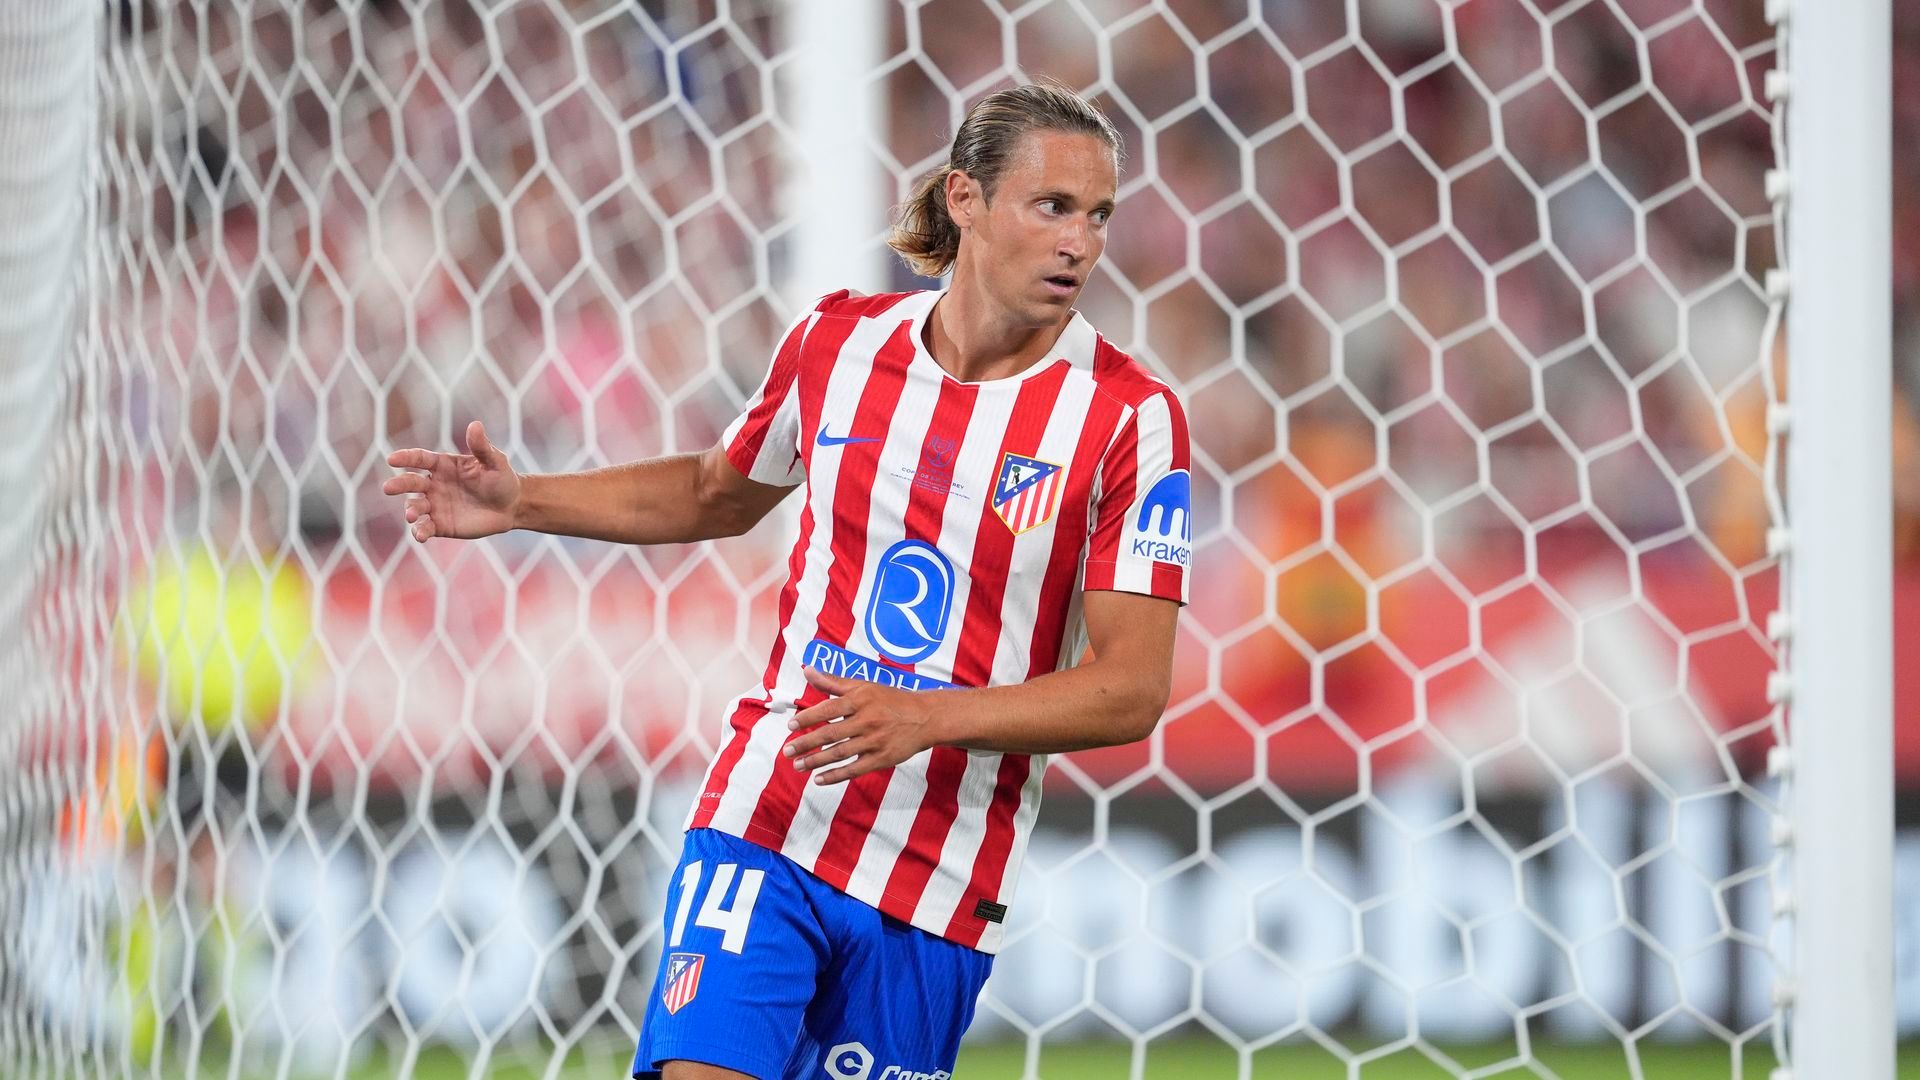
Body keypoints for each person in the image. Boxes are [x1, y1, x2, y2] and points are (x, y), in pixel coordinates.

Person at [383, 81, 1191, 1080]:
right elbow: (716, 494)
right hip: (771, 811)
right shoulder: (839, 345)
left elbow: (1132, 687)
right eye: (1054, 206)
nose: (1081, 240)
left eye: (1099, 214)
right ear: (966, 199)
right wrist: (522, 503)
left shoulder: (1127, 417)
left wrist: (928, 717)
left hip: (935, 875)